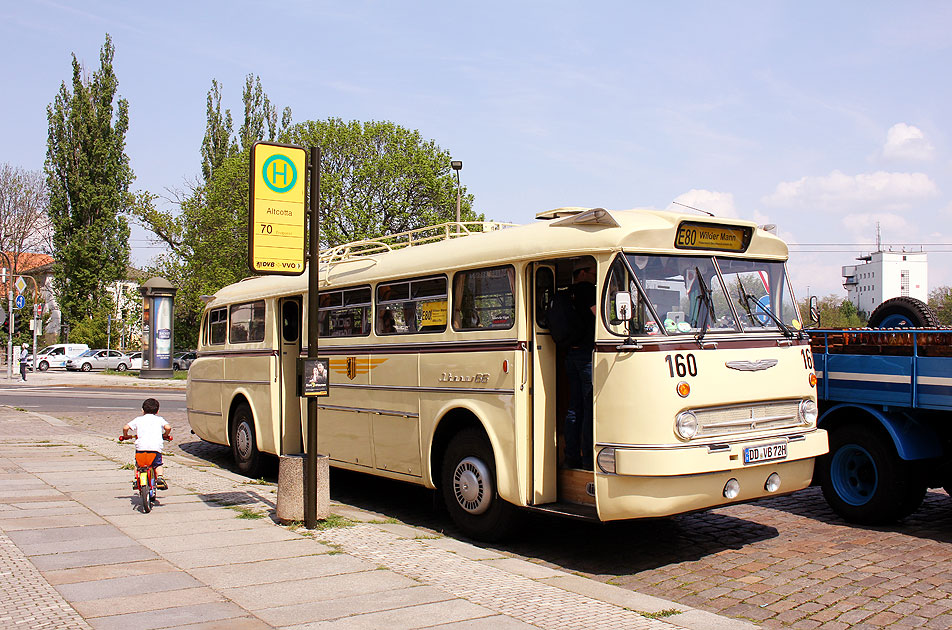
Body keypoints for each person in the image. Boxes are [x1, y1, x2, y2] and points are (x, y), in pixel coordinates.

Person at [563, 262, 597, 470]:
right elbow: (600, 317)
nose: (595, 276)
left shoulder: (567, 294)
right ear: (583, 272)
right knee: (589, 408)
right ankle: (588, 460)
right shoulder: (588, 291)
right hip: (586, 355)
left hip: (570, 354)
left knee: (574, 408)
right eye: (593, 272)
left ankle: (571, 456)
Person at [122, 398, 172, 490]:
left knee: (138, 464)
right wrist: (165, 434)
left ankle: (136, 480)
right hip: (155, 448)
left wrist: (125, 436)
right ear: (157, 411)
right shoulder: (159, 419)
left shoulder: (138, 419)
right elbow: (168, 427)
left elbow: (126, 427)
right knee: (157, 464)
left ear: (142, 410)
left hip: (141, 448)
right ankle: (160, 477)